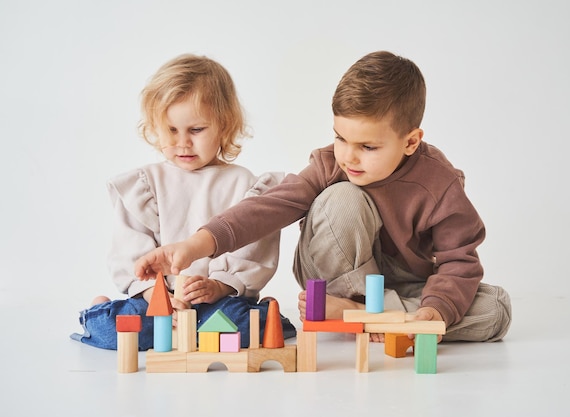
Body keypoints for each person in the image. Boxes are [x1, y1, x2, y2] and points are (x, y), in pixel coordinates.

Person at [134, 51, 511, 343]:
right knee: (342, 198)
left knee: (495, 309)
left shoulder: (438, 184)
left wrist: (435, 310)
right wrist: (196, 245)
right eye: (340, 137)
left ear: (411, 141)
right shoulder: (332, 164)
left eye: (367, 146)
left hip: (400, 284)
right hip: (330, 274)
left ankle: (361, 315)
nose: (349, 155)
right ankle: (373, 314)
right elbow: (270, 207)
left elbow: (458, 261)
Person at [71, 54, 296, 350]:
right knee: (116, 333)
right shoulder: (146, 185)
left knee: (244, 330)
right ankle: (100, 309)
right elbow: (131, 251)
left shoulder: (243, 184)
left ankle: (266, 312)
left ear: (224, 126)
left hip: (216, 301)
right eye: (172, 130)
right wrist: (157, 295)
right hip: (158, 300)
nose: (183, 142)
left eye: (196, 130)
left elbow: (253, 249)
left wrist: (217, 286)